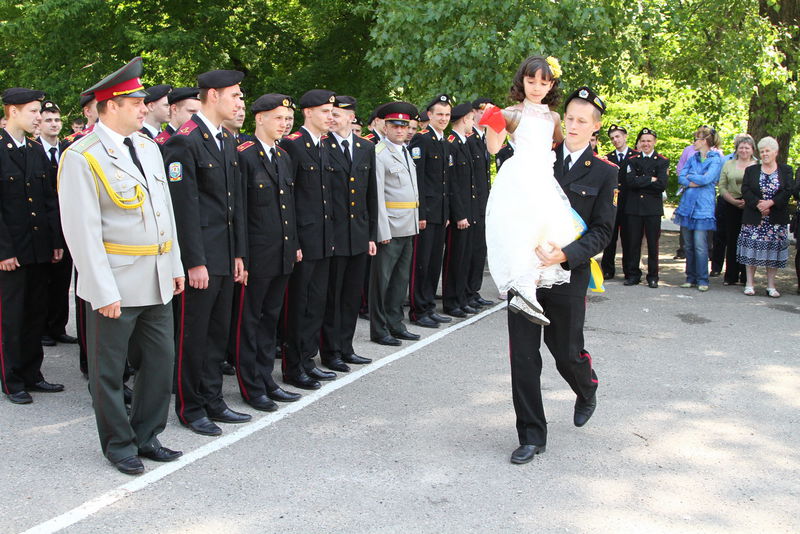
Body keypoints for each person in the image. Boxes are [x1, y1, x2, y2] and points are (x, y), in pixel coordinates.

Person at [58, 57, 184, 474]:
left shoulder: (148, 148)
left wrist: (175, 265)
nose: (144, 107)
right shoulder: (83, 157)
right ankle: (118, 444)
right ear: (110, 105)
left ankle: (147, 435)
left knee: (160, 361)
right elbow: (82, 233)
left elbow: (164, 211)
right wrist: (101, 290)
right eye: (136, 101)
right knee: (108, 371)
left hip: (156, 277)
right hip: (115, 281)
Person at [486, 77, 616, 464]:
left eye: (582, 121)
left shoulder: (604, 172)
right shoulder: (535, 156)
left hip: (567, 272)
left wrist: (565, 255)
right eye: (570, 119)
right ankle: (531, 435)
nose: (573, 126)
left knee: (565, 352)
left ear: (595, 127)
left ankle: (586, 385)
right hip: (525, 271)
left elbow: (603, 231)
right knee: (523, 357)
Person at [162, 69, 250, 437]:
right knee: (192, 335)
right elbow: (184, 209)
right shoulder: (185, 142)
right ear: (213, 96)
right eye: (235, 96)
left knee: (217, 334)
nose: (240, 103)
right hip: (200, 258)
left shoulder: (226, 141)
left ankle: (213, 398)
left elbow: (235, 206)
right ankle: (190, 405)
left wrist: (239, 255)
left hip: (225, 256)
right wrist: (193, 261)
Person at [483, 55, 569, 326]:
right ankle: (523, 288)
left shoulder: (554, 117)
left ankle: (528, 290)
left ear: (551, 85)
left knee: (545, 234)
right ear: (522, 81)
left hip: (544, 176)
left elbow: (560, 144)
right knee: (522, 232)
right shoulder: (512, 113)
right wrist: (492, 123)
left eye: (543, 82)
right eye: (531, 81)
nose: (536, 87)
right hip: (520, 176)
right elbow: (494, 147)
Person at [231, 94, 302, 410]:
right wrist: (241, 256)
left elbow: (289, 207)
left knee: (270, 321)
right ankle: (250, 386)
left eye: (288, 119)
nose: (285, 124)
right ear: (259, 118)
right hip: (256, 257)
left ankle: (266, 379)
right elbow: (240, 212)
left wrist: (294, 244)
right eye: (279, 118)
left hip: (281, 253)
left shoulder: (283, 156)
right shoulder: (244, 155)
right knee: (249, 322)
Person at [0, 88, 64, 405]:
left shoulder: (36, 150)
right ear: (13, 111)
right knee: (11, 318)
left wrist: (54, 242)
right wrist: (3, 251)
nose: (39, 117)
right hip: (12, 252)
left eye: (39, 111)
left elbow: (48, 200)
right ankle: (12, 380)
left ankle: (32, 373)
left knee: (35, 315)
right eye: (33, 111)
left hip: (38, 248)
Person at [280, 89, 337, 390]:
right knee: (298, 306)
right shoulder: (294, 146)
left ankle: (307, 360)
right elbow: (289, 196)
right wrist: (296, 242)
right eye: (325, 111)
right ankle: (293, 366)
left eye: (332, 112)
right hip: (303, 240)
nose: (331, 116)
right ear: (308, 113)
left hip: (323, 238)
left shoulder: (322, 146)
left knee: (316, 303)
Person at [319, 95, 376, 371]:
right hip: (334, 236)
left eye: (339, 115)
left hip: (358, 233)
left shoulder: (365, 147)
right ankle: (331, 352)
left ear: (352, 117)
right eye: (330, 114)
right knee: (334, 296)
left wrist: (371, 234)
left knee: (352, 295)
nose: (332, 119)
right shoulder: (322, 145)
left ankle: (346, 346)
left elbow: (371, 195)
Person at [370, 102, 421, 346]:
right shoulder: (379, 154)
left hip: (408, 225)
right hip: (390, 227)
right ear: (385, 126)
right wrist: (382, 230)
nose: (400, 130)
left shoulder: (404, 151)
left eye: (404, 126)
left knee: (400, 281)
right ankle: (379, 329)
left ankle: (395, 323)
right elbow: (378, 195)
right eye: (394, 125)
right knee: (382, 282)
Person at [408, 94, 454, 328]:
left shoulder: (444, 142)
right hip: (426, 213)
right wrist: (421, 213)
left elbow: (445, 181)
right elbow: (418, 179)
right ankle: (417, 310)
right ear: (430, 115)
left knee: (434, 262)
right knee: (422, 262)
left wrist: (446, 213)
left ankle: (428, 307)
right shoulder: (422, 139)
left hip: (441, 213)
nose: (444, 118)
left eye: (447, 114)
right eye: (439, 114)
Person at [37, 100, 79, 346]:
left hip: (66, 222)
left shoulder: (67, 149)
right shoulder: (34, 150)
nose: (53, 124)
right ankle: (43, 327)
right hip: (43, 224)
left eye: (57, 120)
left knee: (63, 279)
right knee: (45, 280)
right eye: (48, 120)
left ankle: (58, 326)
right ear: (39, 124)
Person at [737, 136, 794, 297]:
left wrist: (771, 203)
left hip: (775, 217)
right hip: (754, 217)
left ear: (775, 152)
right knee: (751, 251)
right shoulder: (751, 170)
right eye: (762, 151)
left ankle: (771, 285)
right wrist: (759, 204)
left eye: (767, 151)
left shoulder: (785, 170)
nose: (764, 154)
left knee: (773, 252)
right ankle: (749, 283)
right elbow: (746, 190)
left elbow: (787, 190)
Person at [673, 125, 723, 292]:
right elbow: (681, 176)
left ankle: (702, 279)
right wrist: (694, 180)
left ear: (705, 141)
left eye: (696, 139)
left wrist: (692, 179)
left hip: (703, 207)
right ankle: (690, 277)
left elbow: (708, 179)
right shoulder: (692, 157)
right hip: (687, 206)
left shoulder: (716, 159)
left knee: (700, 245)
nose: (694, 142)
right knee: (687, 245)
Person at [442, 102, 477, 318]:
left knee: (465, 258)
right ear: (465, 119)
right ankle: (451, 300)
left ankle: (461, 298)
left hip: (469, 211)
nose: (473, 123)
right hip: (460, 214)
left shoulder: (464, 143)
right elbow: (452, 183)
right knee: (454, 259)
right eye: (472, 118)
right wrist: (460, 214)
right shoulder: (452, 144)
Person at [622, 128, 668, 288]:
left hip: (652, 209)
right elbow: (630, 182)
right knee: (633, 243)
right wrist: (651, 179)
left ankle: (653, 276)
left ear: (654, 142)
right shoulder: (632, 160)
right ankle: (633, 275)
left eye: (649, 141)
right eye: (643, 141)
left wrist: (641, 180)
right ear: (639, 143)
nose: (646, 144)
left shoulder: (662, 161)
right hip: (634, 208)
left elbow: (662, 185)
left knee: (653, 244)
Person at [466, 98, 495, 310]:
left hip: (483, 204)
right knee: (468, 252)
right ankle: (465, 293)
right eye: (482, 111)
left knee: (478, 251)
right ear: (474, 113)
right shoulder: (468, 139)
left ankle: (473, 291)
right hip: (471, 205)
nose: (486, 115)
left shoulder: (485, 139)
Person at [718, 135, 757, 286]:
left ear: (752, 149)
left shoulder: (757, 165)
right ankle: (730, 275)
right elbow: (722, 186)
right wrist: (733, 200)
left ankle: (746, 276)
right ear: (737, 149)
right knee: (732, 239)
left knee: (748, 241)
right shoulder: (728, 164)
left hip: (751, 206)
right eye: (741, 147)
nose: (744, 150)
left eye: (747, 147)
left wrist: (749, 201)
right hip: (731, 203)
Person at [602, 124, 638, 280]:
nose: (615, 140)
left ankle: (630, 271)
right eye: (612, 138)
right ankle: (608, 269)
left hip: (630, 202)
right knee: (610, 238)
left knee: (629, 238)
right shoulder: (608, 158)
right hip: (613, 203)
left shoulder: (636, 156)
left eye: (617, 136)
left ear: (625, 136)